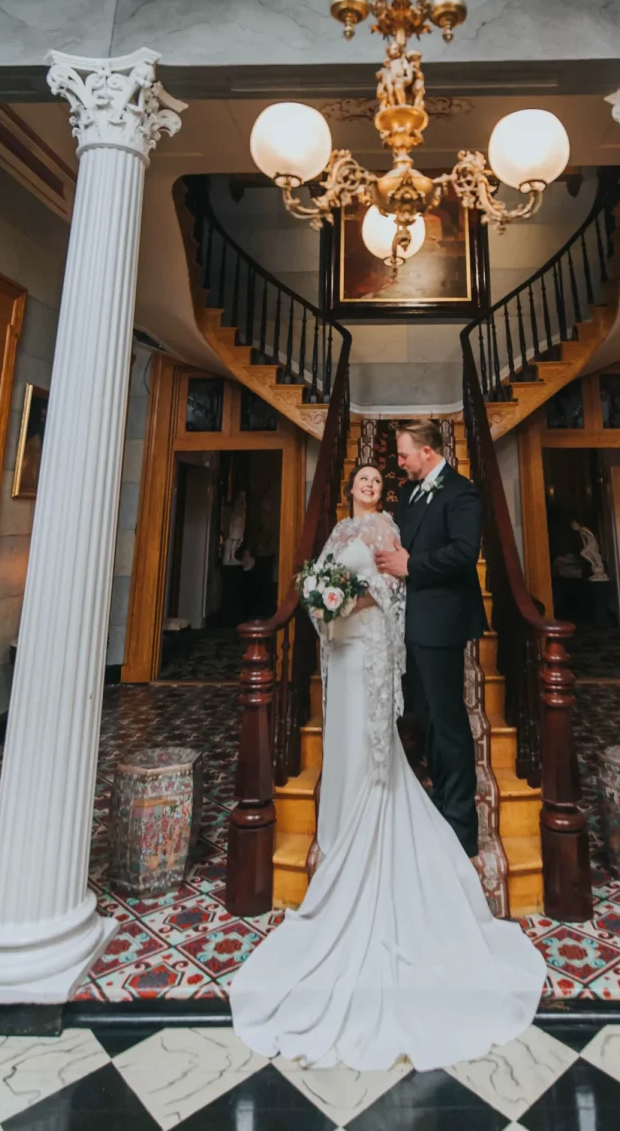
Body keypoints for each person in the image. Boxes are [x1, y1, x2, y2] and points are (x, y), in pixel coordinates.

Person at [228, 460, 545, 1071]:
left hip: (371, 646)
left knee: (373, 749)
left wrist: (362, 597)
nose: (370, 485)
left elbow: (398, 589)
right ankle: (341, 829)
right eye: (364, 480)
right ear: (348, 488)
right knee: (341, 747)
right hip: (341, 650)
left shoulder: (385, 530)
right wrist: (326, 604)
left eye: (378, 480)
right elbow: (315, 585)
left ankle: (375, 829)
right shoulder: (338, 533)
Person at [375, 419, 483, 857]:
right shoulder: (413, 494)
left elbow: (463, 552)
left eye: (403, 454)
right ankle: (439, 805)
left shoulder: (460, 491)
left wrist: (412, 566)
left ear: (428, 452)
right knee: (428, 721)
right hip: (413, 625)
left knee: (449, 722)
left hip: (441, 623)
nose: (398, 463)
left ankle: (461, 827)